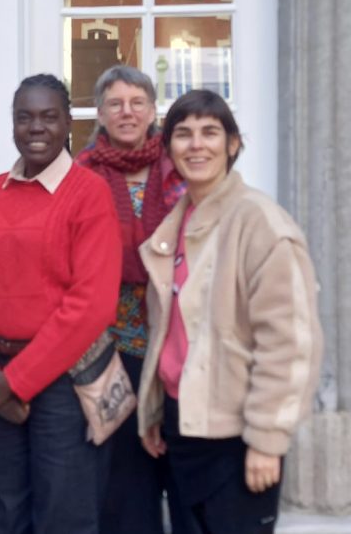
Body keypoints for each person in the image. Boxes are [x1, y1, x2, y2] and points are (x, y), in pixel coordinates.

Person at [138, 89, 323, 533]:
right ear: (168, 149)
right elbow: (171, 332)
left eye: (210, 132)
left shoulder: (260, 223)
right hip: (183, 425)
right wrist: (155, 408)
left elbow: (289, 341)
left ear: (233, 143)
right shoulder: (178, 223)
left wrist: (267, 440)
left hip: (236, 436)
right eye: (183, 134)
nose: (196, 145)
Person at [0, 74, 122, 533]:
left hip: (63, 384)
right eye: (24, 117)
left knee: (63, 514)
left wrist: (16, 382)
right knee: (8, 512)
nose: (36, 128)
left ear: (68, 123)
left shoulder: (88, 192)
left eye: (49, 117)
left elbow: (91, 305)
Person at [73, 65, 186, 534]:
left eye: (137, 102)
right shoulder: (81, 174)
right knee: (124, 482)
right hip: (110, 346)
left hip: (174, 339)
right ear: (99, 113)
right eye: (115, 103)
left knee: (179, 468)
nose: (127, 112)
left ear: (152, 110)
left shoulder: (180, 168)